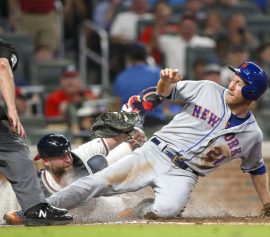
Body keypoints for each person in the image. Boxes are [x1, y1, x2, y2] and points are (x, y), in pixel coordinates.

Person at [45, 61, 270, 219]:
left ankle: (141, 209)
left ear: (252, 93)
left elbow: (257, 169)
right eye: (233, 79)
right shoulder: (208, 89)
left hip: (185, 174)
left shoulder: (251, 135)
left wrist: (268, 204)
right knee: (98, 183)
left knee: (165, 212)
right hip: (155, 153)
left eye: (239, 83)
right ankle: (43, 208)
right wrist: (165, 80)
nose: (231, 85)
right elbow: (166, 92)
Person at [4, 125, 147, 224]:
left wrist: (129, 127)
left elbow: (136, 136)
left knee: (97, 163)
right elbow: (12, 216)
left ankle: (137, 206)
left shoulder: (81, 154)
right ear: (45, 161)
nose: (68, 159)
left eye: (68, 154)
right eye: (61, 156)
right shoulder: (37, 186)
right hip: (85, 215)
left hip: (104, 204)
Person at [0, 38, 72, 226]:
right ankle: (35, 209)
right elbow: (2, 65)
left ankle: (35, 208)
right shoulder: (4, 48)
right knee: (15, 150)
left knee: (13, 148)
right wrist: (11, 109)